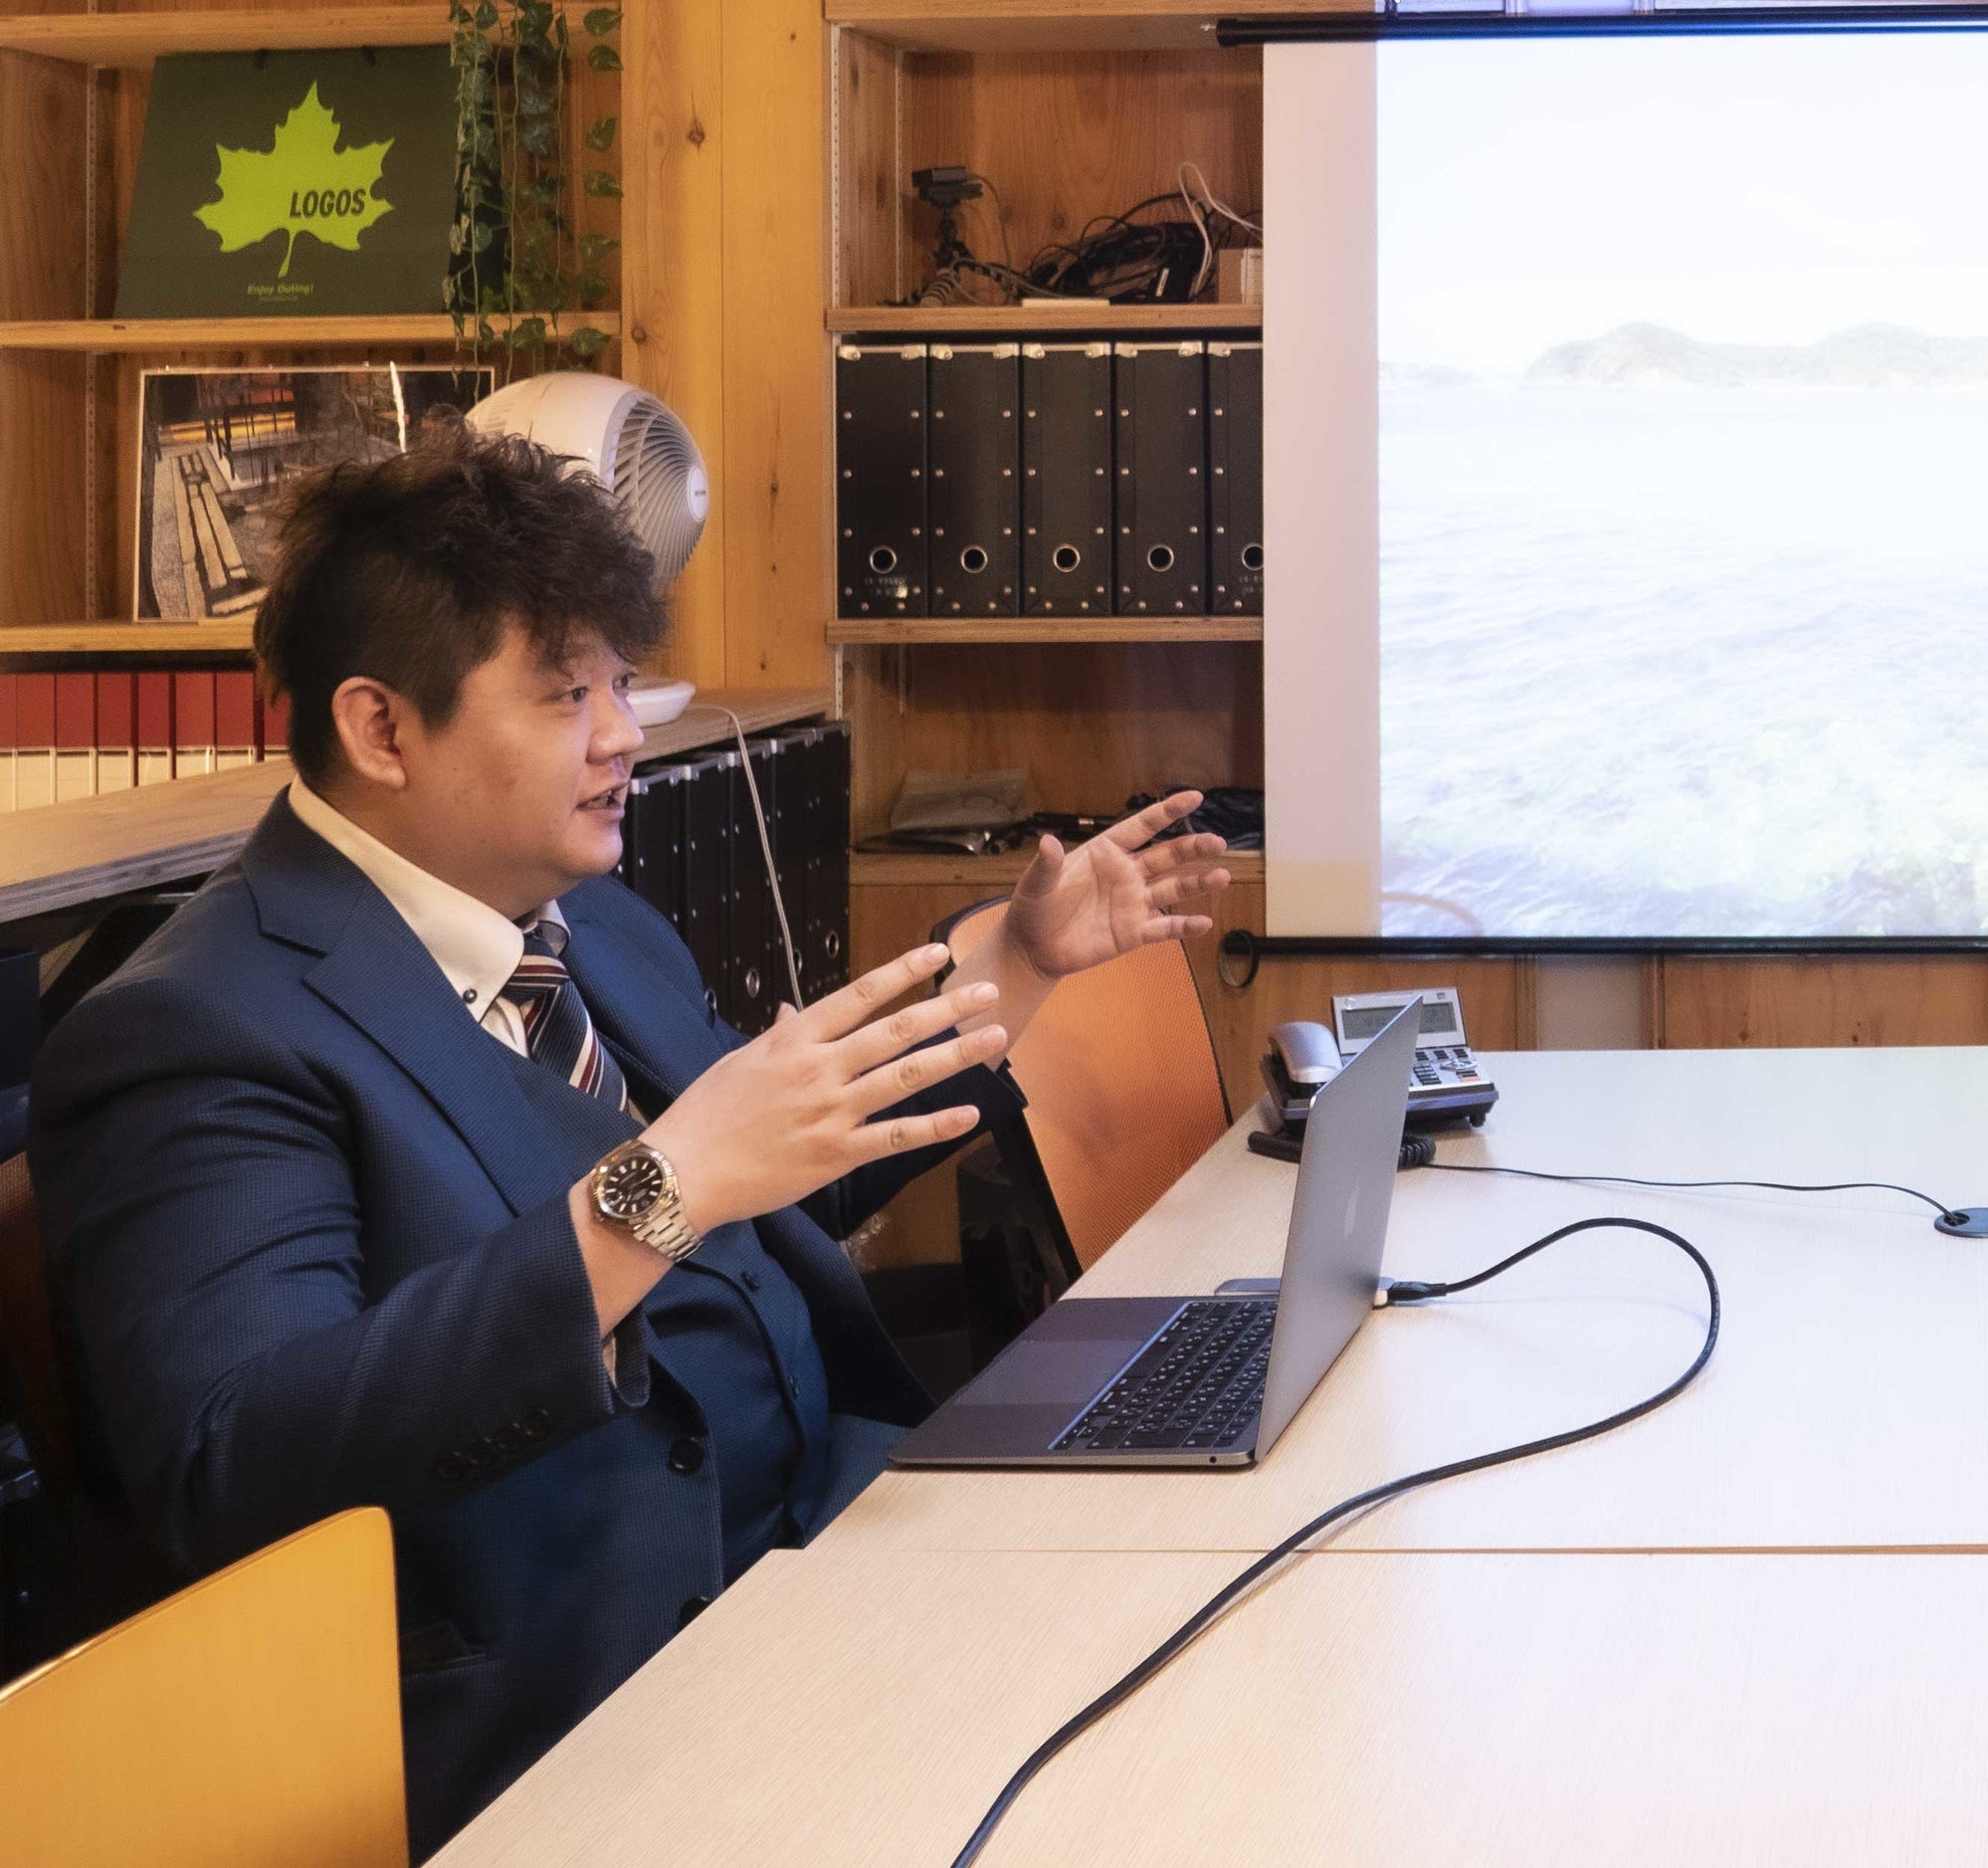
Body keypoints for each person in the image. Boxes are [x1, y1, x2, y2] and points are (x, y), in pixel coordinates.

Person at [33, 429, 1226, 1849]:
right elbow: (236, 1459)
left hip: (834, 1549)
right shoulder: (193, 1027)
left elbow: (772, 1167)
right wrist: (660, 1189)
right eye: (565, 694)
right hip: (576, 1709)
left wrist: (1016, 966)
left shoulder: (588, 920)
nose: (622, 736)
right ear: (380, 729)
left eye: (618, 683)